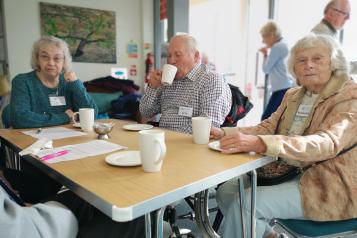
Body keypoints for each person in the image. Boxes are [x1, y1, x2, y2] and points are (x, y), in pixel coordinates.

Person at [210, 34, 357, 238]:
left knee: (245, 205)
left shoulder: (350, 97)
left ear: (334, 63)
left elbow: (327, 143)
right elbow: (269, 127)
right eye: (302, 60)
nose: (309, 66)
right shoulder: (294, 95)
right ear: (294, 68)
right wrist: (225, 132)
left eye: (317, 59)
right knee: (226, 192)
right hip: (285, 171)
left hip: (327, 185)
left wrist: (263, 144)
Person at [0, 169, 145, 238]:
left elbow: (90, 108)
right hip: (29, 226)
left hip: (19, 213)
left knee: (96, 192)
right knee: (130, 209)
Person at [139, 34, 231, 134]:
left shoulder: (211, 80)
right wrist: (152, 87)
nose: (171, 61)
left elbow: (208, 129)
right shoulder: (168, 80)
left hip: (192, 145)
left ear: (195, 56)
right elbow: (146, 112)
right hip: (164, 140)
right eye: (169, 55)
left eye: (178, 55)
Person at [7, 36, 98, 129]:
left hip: (68, 138)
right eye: (45, 57)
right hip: (32, 139)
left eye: (57, 58)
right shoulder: (22, 81)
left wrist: (76, 83)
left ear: (64, 61)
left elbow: (92, 115)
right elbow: (20, 119)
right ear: (37, 59)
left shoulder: (70, 83)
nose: (51, 63)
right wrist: (64, 117)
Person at [259, 21, 293, 120]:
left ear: (272, 35)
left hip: (281, 89)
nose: (263, 41)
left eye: (264, 37)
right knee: (277, 119)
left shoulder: (277, 47)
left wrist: (265, 55)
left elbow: (266, 69)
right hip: (285, 86)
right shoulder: (284, 44)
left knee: (266, 118)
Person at [311, 0, 357, 73]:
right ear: (330, 13)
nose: (348, 18)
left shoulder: (328, 32)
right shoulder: (322, 34)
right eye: (345, 14)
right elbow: (340, 68)